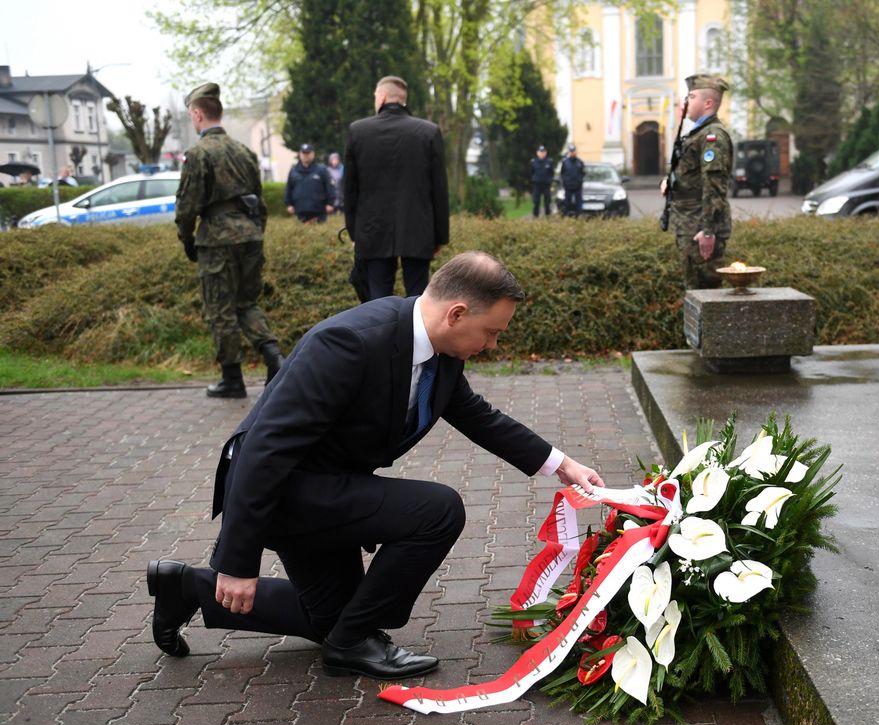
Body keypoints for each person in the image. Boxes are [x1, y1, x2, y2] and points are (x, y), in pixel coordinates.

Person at [146, 252, 605, 680]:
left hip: (325, 487)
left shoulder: (439, 353)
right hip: (285, 491)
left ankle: (186, 587)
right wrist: (236, 562)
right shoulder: (350, 343)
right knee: (438, 509)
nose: (492, 343)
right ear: (457, 313)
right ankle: (350, 644)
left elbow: (477, 416)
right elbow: (265, 450)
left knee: (333, 615)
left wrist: (561, 464)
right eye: (492, 331)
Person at [175, 82, 285, 399]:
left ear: (198, 114)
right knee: (246, 303)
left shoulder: (197, 155)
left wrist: (188, 241)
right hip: (250, 235)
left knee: (220, 309)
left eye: (191, 115)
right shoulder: (245, 152)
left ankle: (232, 379)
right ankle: (275, 358)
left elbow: (186, 207)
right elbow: (259, 202)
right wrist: (255, 231)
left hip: (216, 240)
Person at [343, 75, 449, 299]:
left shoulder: (358, 131)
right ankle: (415, 336)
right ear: (403, 99)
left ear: (381, 97)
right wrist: (440, 236)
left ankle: (384, 335)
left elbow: (350, 189)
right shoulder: (428, 132)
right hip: (418, 229)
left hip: (372, 230)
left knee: (377, 301)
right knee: (418, 300)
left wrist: (354, 232)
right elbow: (439, 189)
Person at [661, 74, 733, 290]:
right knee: (693, 291)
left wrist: (708, 230)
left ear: (708, 103)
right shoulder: (698, 133)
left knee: (705, 293)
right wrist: (670, 181)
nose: (686, 102)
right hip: (688, 223)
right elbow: (692, 173)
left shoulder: (713, 137)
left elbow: (714, 185)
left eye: (691, 97)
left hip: (699, 226)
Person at [285, 143, 335, 223]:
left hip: (318, 212)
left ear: (313, 154)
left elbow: (329, 187)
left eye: (308, 153)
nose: (306, 155)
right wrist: (288, 204)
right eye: (304, 153)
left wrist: (330, 203)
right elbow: (289, 188)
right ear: (300, 154)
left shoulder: (322, 170)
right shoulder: (294, 170)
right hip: (299, 211)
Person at [560, 144, 585, 217]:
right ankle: (566, 217)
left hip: (577, 187)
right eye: (571, 151)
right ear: (569, 152)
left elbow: (583, 173)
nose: (572, 153)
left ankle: (578, 217)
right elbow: (562, 174)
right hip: (568, 187)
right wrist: (565, 183)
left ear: (576, 152)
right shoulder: (565, 162)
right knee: (567, 203)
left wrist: (580, 181)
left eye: (573, 151)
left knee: (578, 204)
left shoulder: (580, 162)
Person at [529, 145, 554, 218]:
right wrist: (534, 180)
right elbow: (531, 172)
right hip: (537, 185)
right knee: (536, 202)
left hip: (546, 185)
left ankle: (548, 216)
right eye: (540, 152)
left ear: (546, 153)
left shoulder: (549, 162)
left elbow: (551, 173)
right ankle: (535, 216)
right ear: (537, 153)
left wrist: (550, 180)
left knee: (547, 202)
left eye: (543, 152)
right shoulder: (533, 162)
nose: (542, 153)